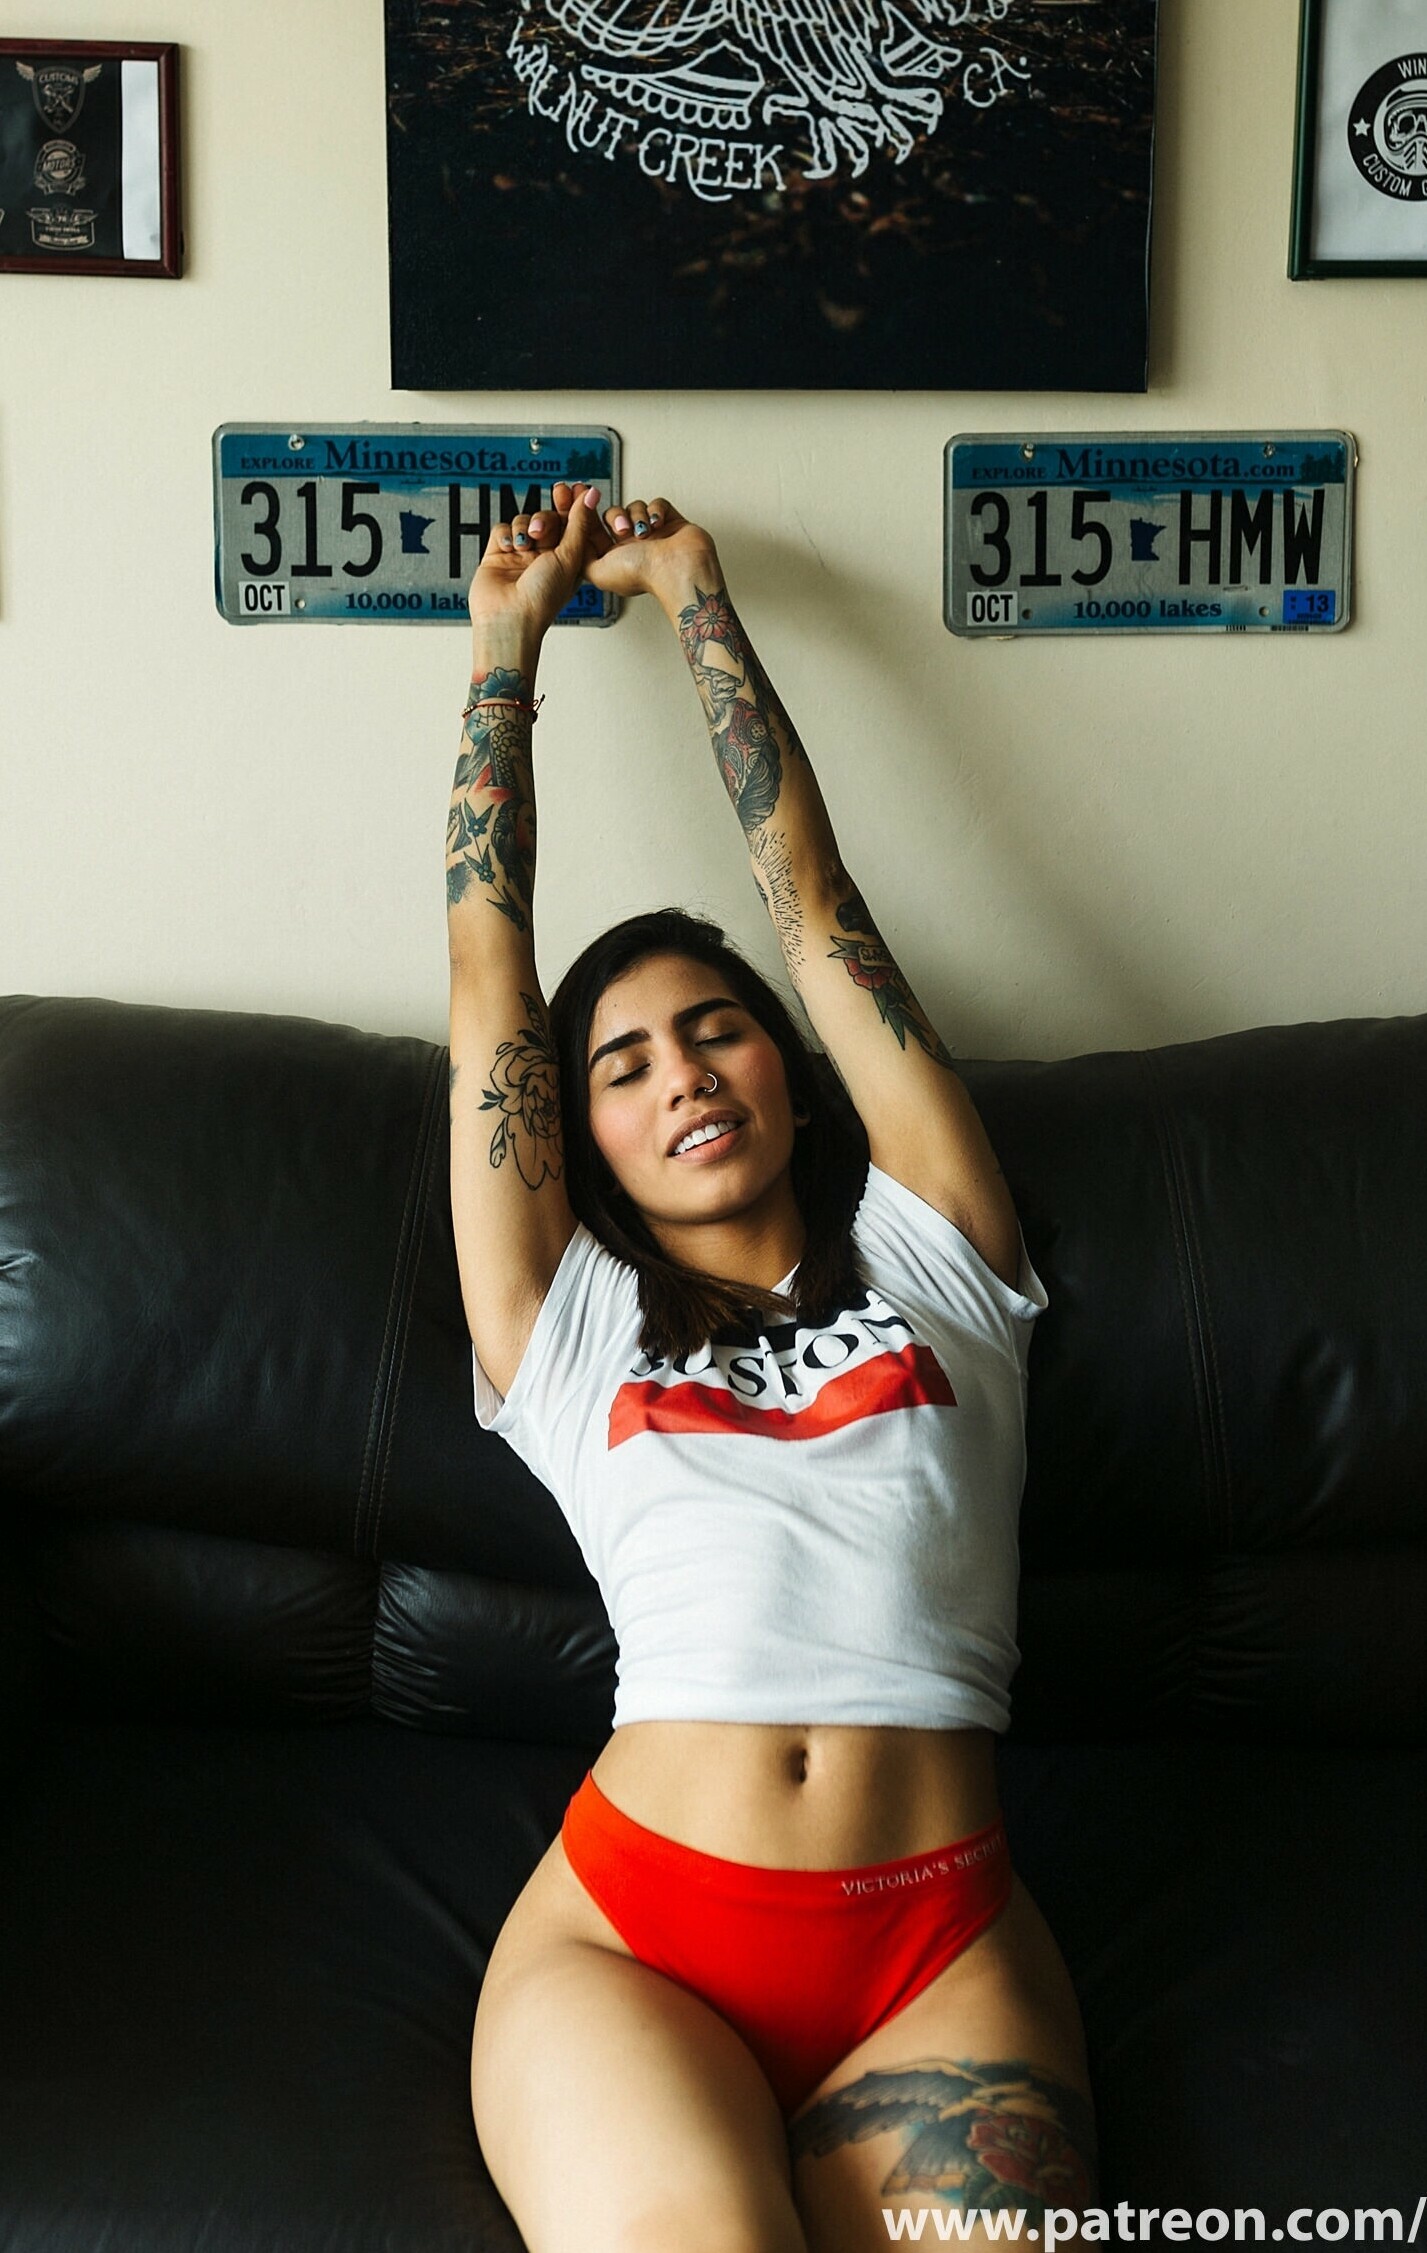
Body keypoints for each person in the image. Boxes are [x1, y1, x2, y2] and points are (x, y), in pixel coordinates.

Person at [447, 480, 1096, 2252]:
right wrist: (505, 648)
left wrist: (696, 598)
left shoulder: (941, 1252)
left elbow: (815, 907)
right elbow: (491, 980)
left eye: (716, 1028)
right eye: (624, 1066)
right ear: (583, 1140)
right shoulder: (566, 1325)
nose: (682, 1072)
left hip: (937, 1950)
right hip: (635, 1946)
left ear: (792, 1076)